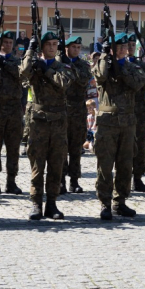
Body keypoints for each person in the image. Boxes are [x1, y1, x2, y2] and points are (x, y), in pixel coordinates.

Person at [92, 32, 145, 220]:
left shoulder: (132, 67)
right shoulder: (104, 65)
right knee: (105, 165)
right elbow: (99, 76)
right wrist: (106, 57)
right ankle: (105, 203)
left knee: (125, 164)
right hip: (108, 122)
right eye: (119, 47)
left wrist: (121, 68)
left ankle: (120, 202)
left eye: (125, 47)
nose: (124, 50)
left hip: (127, 123)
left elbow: (139, 83)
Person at [20, 31, 73, 220]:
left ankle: (52, 203)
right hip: (38, 122)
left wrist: (48, 70)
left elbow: (64, 82)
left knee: (56, 165)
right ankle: (36, 203)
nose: (52, 47)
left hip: (58, 122)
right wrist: (30, 51)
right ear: (42, 47)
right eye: (48, 44)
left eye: (54, 44)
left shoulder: (63, 66)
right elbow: (23, 72)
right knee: (37, 164)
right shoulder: (34, 65)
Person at [0, 31, 24, 196]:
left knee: (13, 147)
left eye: (10, 42)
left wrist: (4, 63)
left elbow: (20, 74)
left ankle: (11, 181)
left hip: (14, 109)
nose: (7, 45)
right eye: (4, 42)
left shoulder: (18, 62)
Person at [60, 36, 93, 195]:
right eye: (73, 47)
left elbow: (83, 79)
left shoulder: (83, 65)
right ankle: (60, 180)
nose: (76, 50)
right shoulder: (58, 62)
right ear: (66, 48)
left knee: (75, 148)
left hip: (78, 110)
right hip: (62, 109)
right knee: (60, 147)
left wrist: (68, 66)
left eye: (79, 47)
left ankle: (74, 181)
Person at [130, 33, 145, 193]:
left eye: (133, 45)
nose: (130, 48)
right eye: (128, 45)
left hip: (139, 111)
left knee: (140, 144)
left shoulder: (141, 65)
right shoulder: (116, 65)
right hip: (122, 111)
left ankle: (137, 178)